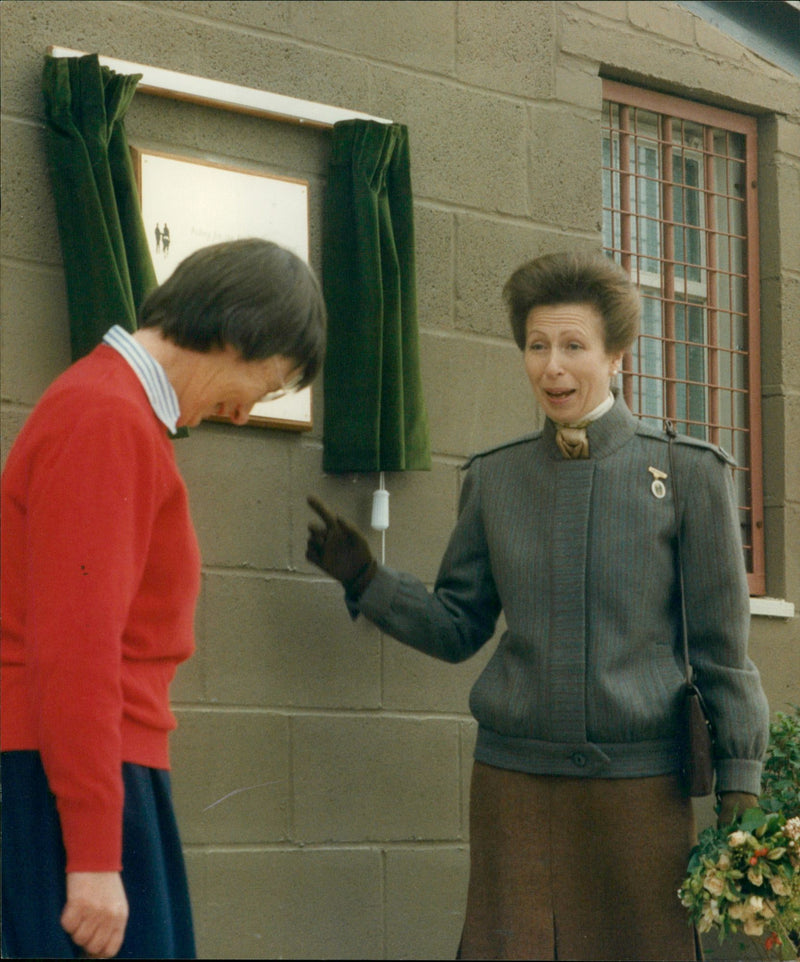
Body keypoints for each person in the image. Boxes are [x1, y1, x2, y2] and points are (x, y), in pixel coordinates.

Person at [306, 250, 769, 961]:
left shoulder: (686, 474)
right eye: (537, 345)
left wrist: (740, 781)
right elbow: (460, 625)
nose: (553, 367)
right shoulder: (496, 479)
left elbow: (720, 653)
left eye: (574, 346)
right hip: (513, 794)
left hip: (637, 795)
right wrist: (369, 580)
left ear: (616, 355)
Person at [1, 238, 326, 960]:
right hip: (72, 780)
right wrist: (93, 854)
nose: (246, 414)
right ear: (243, 335)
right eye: (268, 386)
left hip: (90, 772)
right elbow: (76, 652)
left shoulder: (120, 412)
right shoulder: (106, 417)